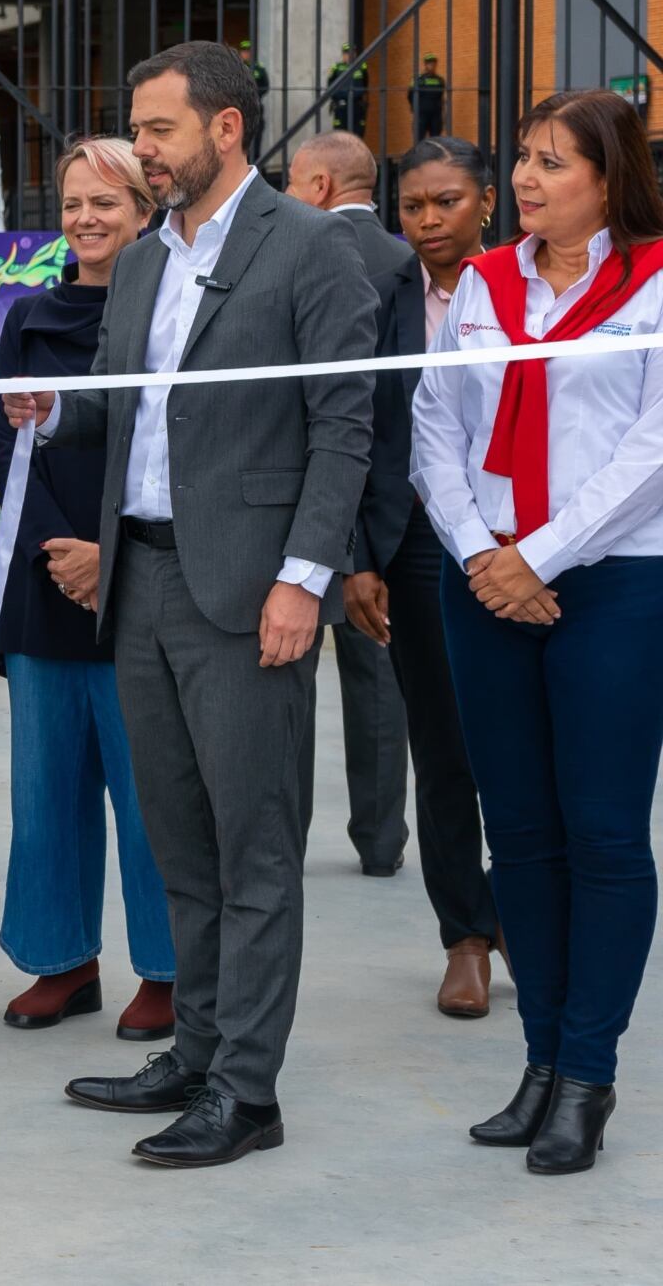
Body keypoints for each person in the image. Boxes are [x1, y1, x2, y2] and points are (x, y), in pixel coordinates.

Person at [4, 40, 374, 1168]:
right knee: (179, 843)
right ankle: (196, 1051)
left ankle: (246, 1093)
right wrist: (52, 413)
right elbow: (128, 410)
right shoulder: (148, 262)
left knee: (253, 850)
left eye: (156, 130)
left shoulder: (309, 249)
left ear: (223, 130)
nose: (140, 150)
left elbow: (342, 425)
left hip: (248, 589)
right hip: (143, 581)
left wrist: (301, 579)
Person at [411, 89, 663, 1175]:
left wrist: (537, 557)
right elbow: (432, 425)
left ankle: (586, 1071)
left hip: (613, 583)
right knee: (514, 831)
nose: (522, 178)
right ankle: (538, 1063)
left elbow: (650, 451)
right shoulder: (481, 281)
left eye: (550, 162)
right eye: (520, 157)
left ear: (605, 180)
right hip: (486, 580)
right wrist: (479, 554)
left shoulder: (654, 282)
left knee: (601, 835)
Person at [0, 137, 176, 1042]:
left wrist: (109, 555)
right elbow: (10, 451)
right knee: (47, 787)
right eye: (73, 204)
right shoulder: (27, 316)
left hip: (140, 578)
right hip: (43, 578)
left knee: (151, 796)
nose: (88, 220)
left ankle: (168, 970)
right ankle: (62, 961)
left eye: (109, 202)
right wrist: (57, 555)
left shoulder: (172, 309)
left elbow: (163, 449)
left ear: (146, 211)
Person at [345, 136, 502, 1017]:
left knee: (513, 738)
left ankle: (517, 907)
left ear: (485, 201)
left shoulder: (522, 291)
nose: (429, 220)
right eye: (413, 206)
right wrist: (361, 557)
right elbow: (357, 430)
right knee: (440, 747)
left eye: (446, 202)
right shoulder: (380, 299)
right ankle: (466, 938)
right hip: (410, 545)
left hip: (518, 541)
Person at [285, 130, 414, 875]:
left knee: (287, 676)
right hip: (386, 507)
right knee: (377, 683)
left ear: (323, 188)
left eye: (295, 183)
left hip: (301, 500)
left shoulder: (293, 256)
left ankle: (286, 839)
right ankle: (381, 841)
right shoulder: (407, 268)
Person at [237, 39, 269, 161]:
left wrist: (254, 94)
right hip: (240, 106)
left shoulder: (258, 68)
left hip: (256, 106)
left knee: (257, 137)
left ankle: (257, 162)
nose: (246, 53)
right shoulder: (237, 68)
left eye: (248, 51)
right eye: (244, 51)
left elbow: (266, 86)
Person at [327, 43, 369, 134]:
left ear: (355, 53)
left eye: (352, 52)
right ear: (343, 55)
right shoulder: (336, 67)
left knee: (358, 133)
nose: (350, 55)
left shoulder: (362, 66)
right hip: (341, 105)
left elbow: (365, 83)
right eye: (347, 53)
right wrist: (336, 99)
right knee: (340, 133)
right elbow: (330, 86)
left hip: (356, 104)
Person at [410, 54, 447, 143]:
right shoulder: (418, 80)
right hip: (421, 114)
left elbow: (441, 97)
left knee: (436, 140)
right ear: (425, 65)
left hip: (436, 115)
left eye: (434, 63)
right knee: (419, 140)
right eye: (430, 63)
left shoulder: (440, 80)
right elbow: (410, 95)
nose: (432, 66)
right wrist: (414, 109)